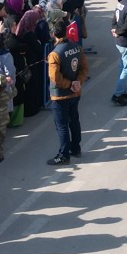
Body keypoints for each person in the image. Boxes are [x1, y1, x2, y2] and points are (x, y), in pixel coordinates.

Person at [45, 22, 85, 165]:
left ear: (53, 34)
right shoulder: (77, 48)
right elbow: (84, 69)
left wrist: (69, 84)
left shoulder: (55, 54)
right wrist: (77, 83)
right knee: (74, 121)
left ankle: (64, 155)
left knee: (62, 126)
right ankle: (76, 148)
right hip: (75, 93)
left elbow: (54, 77)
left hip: (60, 95)